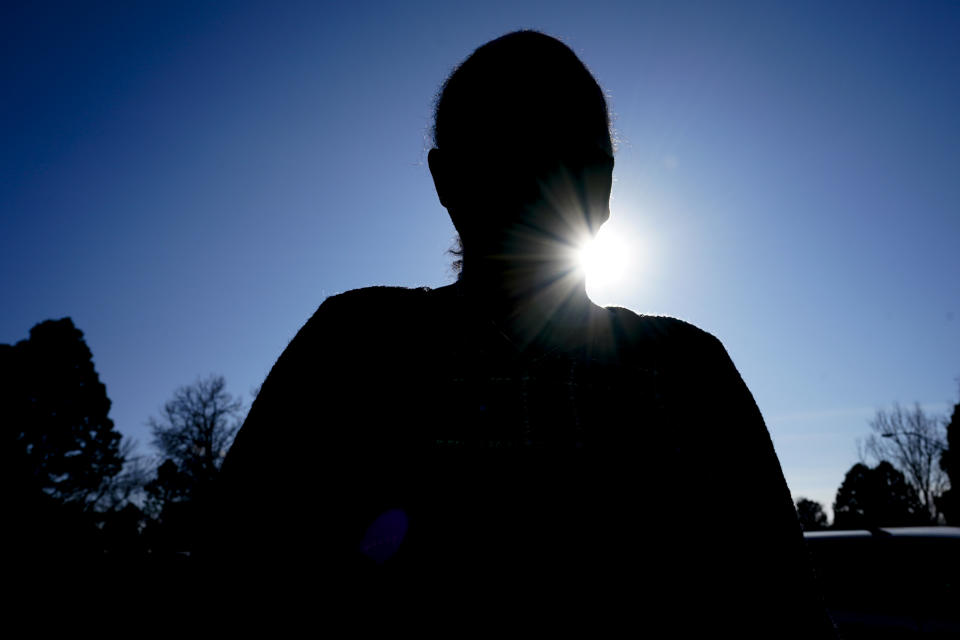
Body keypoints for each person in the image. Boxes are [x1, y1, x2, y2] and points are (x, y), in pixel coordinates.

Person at [214, 31, 836, 635]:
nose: (553, 187)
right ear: (448, 181)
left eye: (583, 163)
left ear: (609, 189)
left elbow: (788, 623)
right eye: (514, 150)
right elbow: (234, 576)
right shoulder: (353, 349)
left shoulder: (689, 372)